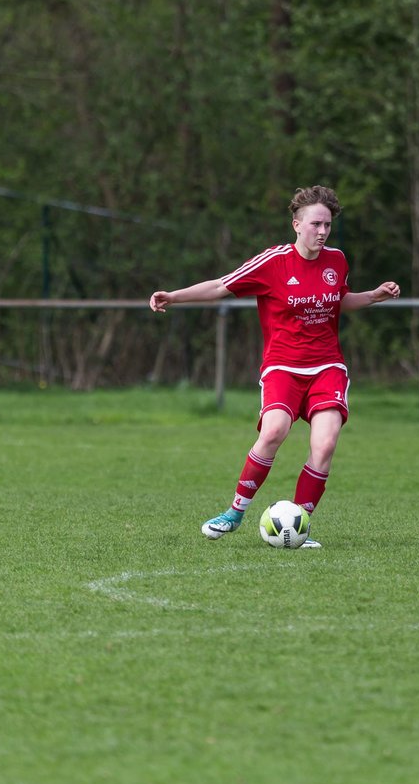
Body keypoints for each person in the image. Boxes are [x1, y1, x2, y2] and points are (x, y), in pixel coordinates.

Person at [149, 185, 400, 548]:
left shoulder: (337, 260)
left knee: (326, 444)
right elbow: (221, 285)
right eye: (316, 224)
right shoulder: (272, 262)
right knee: (273, 431)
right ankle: (234, 512)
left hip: (327, 365)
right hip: (283, 367)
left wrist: (374, 297)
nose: (323, 232)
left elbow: (340, 301)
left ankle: (298, 524)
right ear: (297, 224)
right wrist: (174, 296)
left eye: (327, 225)